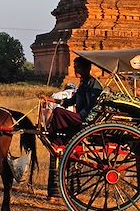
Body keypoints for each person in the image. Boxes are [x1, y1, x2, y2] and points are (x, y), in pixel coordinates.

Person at [40, 57, 103, 200]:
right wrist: (51, 100)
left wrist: (80, 119)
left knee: (58, 112)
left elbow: (91, 108)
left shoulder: (94, 85)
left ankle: (57, 139)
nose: (76, 70)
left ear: (87, 69)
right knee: (59, 111)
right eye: (75, 67)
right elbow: (70, 101)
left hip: (86, 120)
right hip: (81, 117)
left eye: (78, 68)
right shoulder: (83, 84)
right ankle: (60, 138)